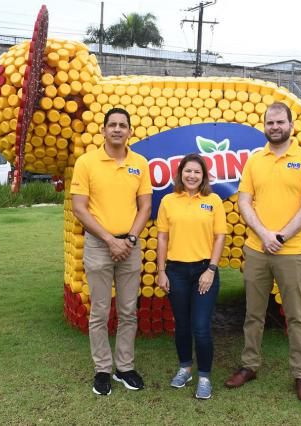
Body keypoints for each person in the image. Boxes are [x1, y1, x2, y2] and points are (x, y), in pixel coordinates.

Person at [224, 102, 301, 403]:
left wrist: (281, 236)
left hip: (292, 250)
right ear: (264, 125)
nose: (275, 127)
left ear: (291, 125)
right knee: (253, 314)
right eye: (270, 122)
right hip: (257, 249)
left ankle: (300, 374)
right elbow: (244, 201)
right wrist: (265, 235)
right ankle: (249, 365)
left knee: (295, 315)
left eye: (280, 122)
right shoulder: (255, 161)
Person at [71, 107, 152, 396]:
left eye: (123, 125)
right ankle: (103, 369)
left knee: (129, 311)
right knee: (100, 311)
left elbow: (145, 207)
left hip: (130, 246)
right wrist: (109, 239)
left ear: (130, 131)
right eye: (112, 125)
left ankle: (125, 367)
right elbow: (79, 208)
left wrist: (128, 239)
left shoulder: (139, 163)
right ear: (103, 130)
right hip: (98, 245)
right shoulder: (87, 162)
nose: (117, 129)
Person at [156, 153, 227, 400]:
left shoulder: (214, 201)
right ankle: (185, 368)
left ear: (204, 176)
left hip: (204, 271)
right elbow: (162, 237)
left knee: (201, 327)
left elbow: (220, 237)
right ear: (180, 174)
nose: (192, 176)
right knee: (182, 325)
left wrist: (211, 269)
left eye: (197, 172)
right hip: (176, 272)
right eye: (188, 171)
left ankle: (204, 377)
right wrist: (161, 270)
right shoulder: (168, 201)